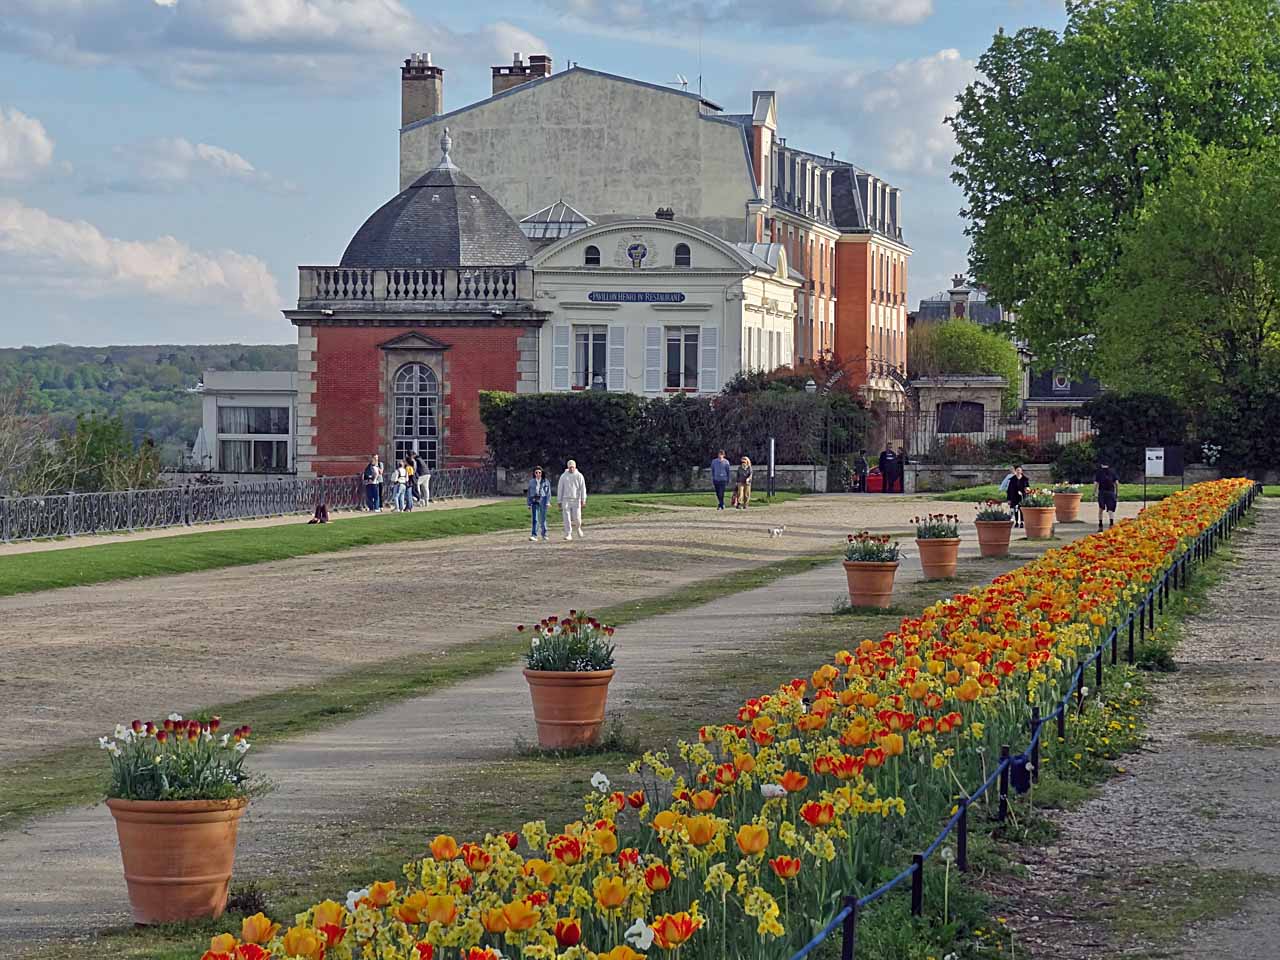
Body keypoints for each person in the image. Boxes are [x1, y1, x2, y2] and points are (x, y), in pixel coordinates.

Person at [557, 459, 588, 541]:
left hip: (576, 499)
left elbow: (583, 488)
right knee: (566, 518)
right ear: (568, 467)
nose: (571, 469)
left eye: (573, 467)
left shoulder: (579, 476)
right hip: (565, 499)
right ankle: (568, 534)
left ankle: (578, 528)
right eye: (570, 467)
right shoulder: (563, 476)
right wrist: (559, 501)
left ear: (575, 467)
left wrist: (583, 499)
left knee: (577, 517)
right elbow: (560, 489)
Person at [527, 466, 551, 541]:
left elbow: (548, 493)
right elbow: (529, 493)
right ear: (534, 473)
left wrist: (548, 502)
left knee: (543, 518)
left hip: (543, 499)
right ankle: (534, 535)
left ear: (542, 473)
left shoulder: (545, 481)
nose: (538, 474)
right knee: (535, 519)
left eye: (539, 472)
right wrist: (529, 503)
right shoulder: (531, 482)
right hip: (534, 500)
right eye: (536, 472)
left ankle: (544, 534)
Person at [1095, 459, 1119, 530]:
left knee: (1101, 509)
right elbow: (1116, 483)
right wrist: (1117, 493)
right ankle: (1111, 524)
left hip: (1102, 492)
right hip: (1111, 492)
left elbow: (1096, 483)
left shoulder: (1099, 472)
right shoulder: (1112, 472)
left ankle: (1100, 525)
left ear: (1101, 465)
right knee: (1110, 509)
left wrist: (1094, 493)